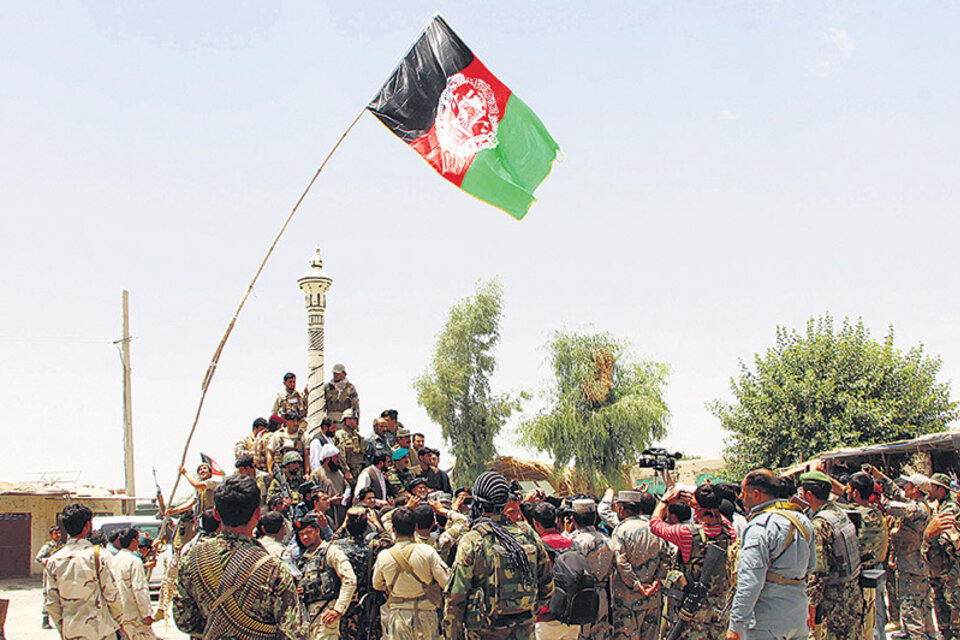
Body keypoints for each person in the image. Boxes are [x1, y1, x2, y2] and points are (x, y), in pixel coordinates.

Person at [174, 474, 307, 638]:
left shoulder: (192, 559)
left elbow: (184, 621)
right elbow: (295, 633)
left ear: (216, 514)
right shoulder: (273, 570)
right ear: (258, 514)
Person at [444, 471, 554, 640]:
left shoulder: (473, 540)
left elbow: (456, 597)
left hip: (485, 632)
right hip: (524, 631)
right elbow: (547, 585)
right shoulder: (527, 533)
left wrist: (452, 635)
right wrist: (525, 614)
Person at [726, 469, 817, 640]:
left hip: (766, 621)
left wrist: (736, 624)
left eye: (744, 494)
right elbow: (811, 566)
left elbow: (750, 581)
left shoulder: (759, 527)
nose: (742, 499)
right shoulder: (802, 520)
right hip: (797, 617)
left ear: (757, 494)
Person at [651, 484, 737, 640]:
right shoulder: (729, 533)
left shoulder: (687, 534)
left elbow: (655, 525)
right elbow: (722, 521)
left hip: (692, 611)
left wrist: (664, 502)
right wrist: (705, 506)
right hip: (718, 608)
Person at [868, 467, 935, 640]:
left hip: (912, 564)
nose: (904, 487)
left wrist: (875, 497)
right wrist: (881, 477)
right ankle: (925, 634)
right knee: (922, 603)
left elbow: (892, 507)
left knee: (912, 603)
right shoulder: (920, 505)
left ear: (916, 489)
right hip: (913, 563)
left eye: (908, 485)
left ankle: (916, 635)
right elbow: (898, 494)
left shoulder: (917, 509)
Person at [43, 503, 125, 640]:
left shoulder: (53, 561)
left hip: (71, 632)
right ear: (87, 526)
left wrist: (63, 629)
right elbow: (112, 595)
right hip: (102, 631)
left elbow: (52, 603)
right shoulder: (98, 556)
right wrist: (119, 621)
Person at [798, 470, 863, 640]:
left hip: (836, 601)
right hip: (852, 593)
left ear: (809, 495)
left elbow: (818, 570)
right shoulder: (840, 513)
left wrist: (811, 605)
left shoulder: (820, 524)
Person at [372, 506, 451, 640]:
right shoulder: (427, 551)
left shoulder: (384, 556)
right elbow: (446, 582)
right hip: (426, 615)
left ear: (393, 530)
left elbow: (377, 585)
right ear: (415, 528)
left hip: (398, 616)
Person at [609, 491, 671, 640]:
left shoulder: (621, 529)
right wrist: (657, 582)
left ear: (622, 510)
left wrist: (637, 585)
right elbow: (666, 557)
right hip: (652, 599)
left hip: (627, 601)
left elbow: (621, 562)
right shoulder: (655, 528)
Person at [295, 512, 358, 640]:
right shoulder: (303, 559)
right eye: (301, 534)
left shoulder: (331, 551)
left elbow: (350, 579)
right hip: (307, 617)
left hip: (326, 614)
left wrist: (338, 609)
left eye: (308, 532)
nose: (305, 537)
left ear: (317, 531)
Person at [335, 506, 393, 640]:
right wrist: (377, 524)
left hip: (347, 601)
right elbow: (389, 542)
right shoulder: (373, 546)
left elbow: (332, 539)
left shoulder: (338, 546)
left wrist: (344, 525)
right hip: (369, 602)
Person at [848, 472, 890, 640]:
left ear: (855, 493)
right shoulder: (876, 513)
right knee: (876, 617)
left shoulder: (855, 515)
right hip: (876, 569)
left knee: (864, 621)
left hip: (860, 574)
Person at [569, 499, 615, 640]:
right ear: (595, 518)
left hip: (581, 597)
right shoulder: (607, 540)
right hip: (602, 596)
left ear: (573, 519)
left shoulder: (573, 541)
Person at [531, 502, 578, 640]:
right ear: (557, 520)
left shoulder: (536, 546)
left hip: (546, 616)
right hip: (571, 613)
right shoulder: (571, 543)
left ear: (536, 523)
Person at [921, 472, 960, 640]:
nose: (929, 489)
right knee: (944, 621)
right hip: (940, 574)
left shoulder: (949, 512)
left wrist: (928, 538)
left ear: (941, 489)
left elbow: (952, 545)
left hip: (949, 576)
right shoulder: (939, 508)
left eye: (932, 486)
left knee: (954, 623)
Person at [110, 527, 157, 640]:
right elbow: (139, 589)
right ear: (133, 541)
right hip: (134, 616)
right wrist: (146, 614)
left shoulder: (113, 560)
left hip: (119, 615)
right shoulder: (134, 561)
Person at [312, 444, 351, 527]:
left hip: (340, 512)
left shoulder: (339, 473)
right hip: (326, 516)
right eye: (336, 458)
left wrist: (346, 496)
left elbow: (346, 486)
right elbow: (313, 497)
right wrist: (329, 500)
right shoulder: (317, 474)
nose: (338, 460)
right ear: (327, 459)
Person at [36, 524, 63, 630]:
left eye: (59, 533)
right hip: (49, 574)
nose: (58, 535)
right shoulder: (48, 547)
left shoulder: (62, 546)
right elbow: (38, 558)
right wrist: (48, 561)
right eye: (55, 533)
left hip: (60, 574)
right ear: (51, 535)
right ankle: (45, 619)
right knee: (48, 595)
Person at [273, 410, 311, 476]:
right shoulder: (278, 435)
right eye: (293, 421)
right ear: (286, 422)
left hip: (298, 473)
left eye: (297, 421)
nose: (296, 423)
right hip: (282, 474)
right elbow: (270, 453)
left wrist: (307, 473)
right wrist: (271, 473)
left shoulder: (303, 436)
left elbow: (307, 455)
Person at [335, 408, 366, 480]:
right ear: (344, 420)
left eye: (354, 419)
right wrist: (346, 470)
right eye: (350, 419)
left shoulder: (358, 437)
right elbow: (341, 455)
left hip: (358, 470)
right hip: (346, 471)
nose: (352, 421)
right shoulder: (339, 435)